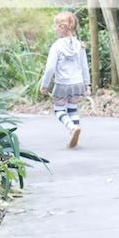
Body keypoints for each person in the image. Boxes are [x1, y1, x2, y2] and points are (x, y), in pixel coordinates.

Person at [40, 11, 91, 148]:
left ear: (62, 27)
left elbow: (50, 68)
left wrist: (44, 85)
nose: (54, 29)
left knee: (59, 110)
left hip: (62, 84)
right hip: (77, 83)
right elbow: (84, 66)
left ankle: (72, 128)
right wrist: (88, 84)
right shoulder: (80, 45)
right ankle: (76, 133)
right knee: (72, 108)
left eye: (55, 26)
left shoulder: (56, 46)